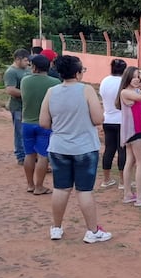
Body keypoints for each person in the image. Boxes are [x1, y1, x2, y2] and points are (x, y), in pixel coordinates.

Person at [39, 55, 112, 243]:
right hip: (84, 147)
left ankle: (56, 228)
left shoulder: (51, 92)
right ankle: (92, 231)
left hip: (59, 147)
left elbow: (44, 123)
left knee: (61, 188)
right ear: (78, 73)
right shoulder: (86, 90)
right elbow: (97, 119)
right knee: (84, 190)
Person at [20, 55, 60, 195]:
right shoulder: (55, 82)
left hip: (27, 123)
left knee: (29, 154)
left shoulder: (25, 80)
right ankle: (39, 186)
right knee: (43, 156)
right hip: (45, 123)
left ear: (34, 67)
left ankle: (30, 184)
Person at [117, 67, 141, 207]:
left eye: (138, 77)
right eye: (134, 77)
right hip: (135, 131)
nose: (137, 79)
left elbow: (133, 107)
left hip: (129, 131)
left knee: (131, 161)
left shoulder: (128, 92)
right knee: (140, 163)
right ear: (127, 78)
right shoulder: (127, 92)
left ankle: (128, 194)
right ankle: (140, 197)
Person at [98, 58, 127, 188]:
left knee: (109, 149)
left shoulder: (104, 80)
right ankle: (122, 181)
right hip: (122, 120)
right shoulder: (124, 83)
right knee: (122, 150)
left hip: (108, 119)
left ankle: (106, 179)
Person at [4, 48, 31, 165]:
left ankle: (30, 154)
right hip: (18, 107)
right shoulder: (11, 72)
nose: (27, 63)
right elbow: (10, 89)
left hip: (28, 106)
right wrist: (27, 94)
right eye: (25, 60)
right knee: (20, 132)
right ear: (18, 59)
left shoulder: (27, 69)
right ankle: (21, 156)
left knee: (28, 131)